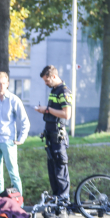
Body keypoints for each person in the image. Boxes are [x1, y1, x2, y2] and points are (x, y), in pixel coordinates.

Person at [35, 65, 72, 207]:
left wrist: (47, 109)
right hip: (51, 137)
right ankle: (57, 202)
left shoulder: (63, 91)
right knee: (53, 172)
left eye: (47, 80)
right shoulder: (54, 91)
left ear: (54, 76)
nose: (46, 83)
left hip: (58, 138)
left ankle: (63, 202)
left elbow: (66, 114)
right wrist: (45, 111)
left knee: (60, 172)